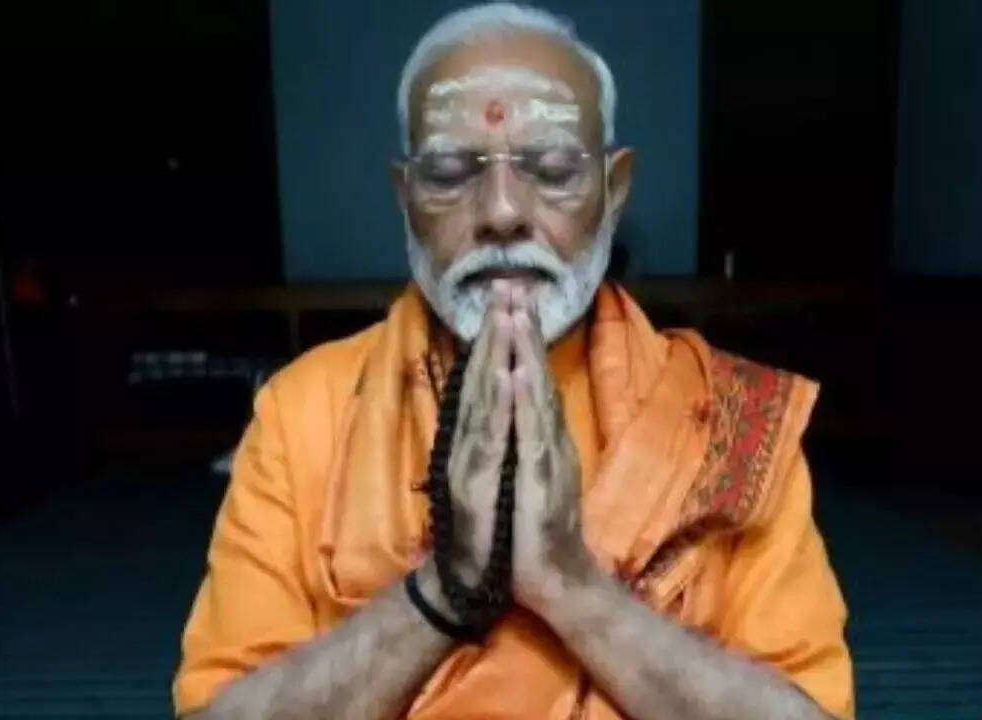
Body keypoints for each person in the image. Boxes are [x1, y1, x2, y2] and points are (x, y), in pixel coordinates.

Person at [173, 4, 853, 718]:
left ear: (615, 190)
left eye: (553, 171)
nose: (502, 212)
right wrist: (445, 588)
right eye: (448, 174)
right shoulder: (306, 411)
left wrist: (570, 587)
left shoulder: (727, 420)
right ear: (405, 199)